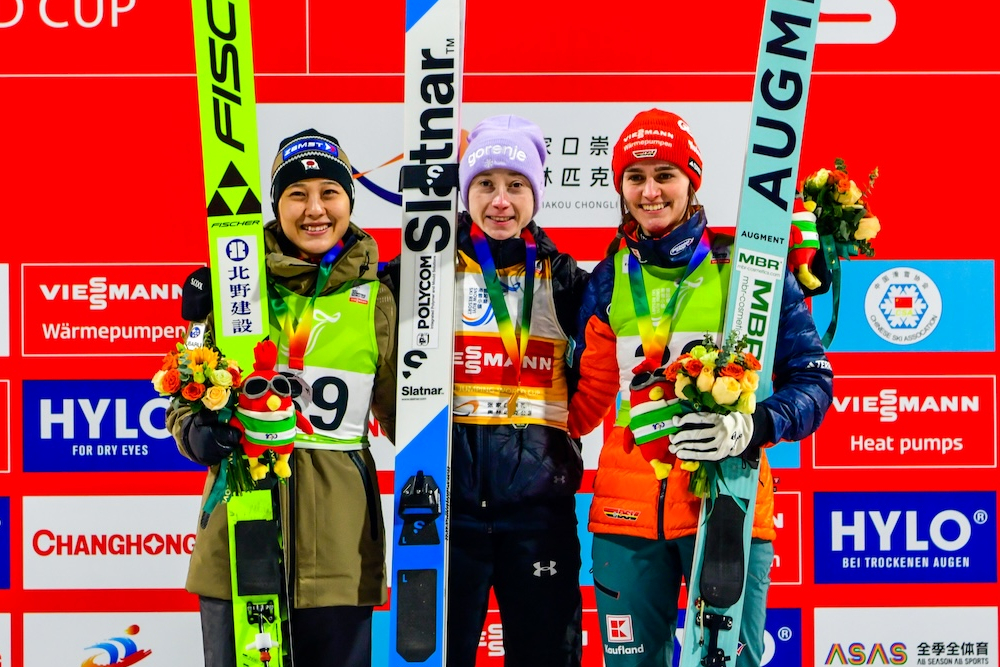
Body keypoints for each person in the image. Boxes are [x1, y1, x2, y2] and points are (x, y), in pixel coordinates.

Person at [567, 109, 833, 666]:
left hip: (727, 500)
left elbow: (812, 382)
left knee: (730, 661)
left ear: (692, 180)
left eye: (664, 173)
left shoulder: (748, 268)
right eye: (634, 177)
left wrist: (753, 426)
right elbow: (585, 400)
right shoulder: (609, 278)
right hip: (626, 514)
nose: (649, 190)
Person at [168, 129, 397, 667]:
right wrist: (199, 432)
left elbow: (408, 415)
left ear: (349, 201)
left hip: (341, 547)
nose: (314, 209)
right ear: (277, 204)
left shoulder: (379, 298)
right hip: (239, 533)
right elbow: (184, 396)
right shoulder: (230, 285)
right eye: (297, 194)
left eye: (329, 192)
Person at [382, 115, 589, 666]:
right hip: (448, 515)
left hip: (539, 515)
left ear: (536, 195)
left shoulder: (567, 279)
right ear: (464, 191)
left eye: (516, 185)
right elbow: (339, 293)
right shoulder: (423, 267)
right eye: (485, 184)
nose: (501, 201)